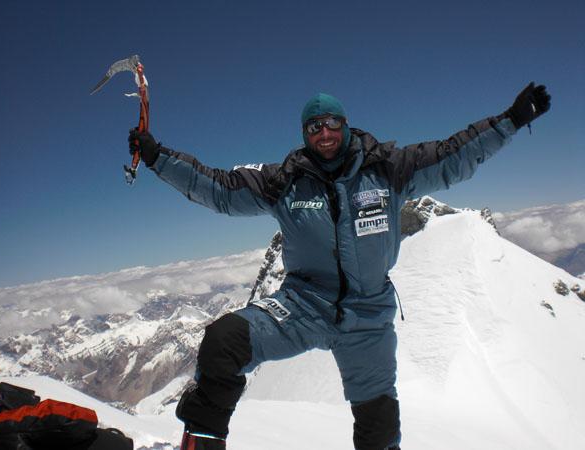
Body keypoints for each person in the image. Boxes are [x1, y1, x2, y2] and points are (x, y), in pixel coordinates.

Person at [128, 83, 551, 450]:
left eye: (331, 123)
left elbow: (454, 154)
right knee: (224, 343)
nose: (325, 133)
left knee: (378, 425)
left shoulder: (389, 169)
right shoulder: (284, 181)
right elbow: (219, 189)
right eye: (315, 127)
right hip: (303, 306)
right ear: (304, 134)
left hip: (368, 315)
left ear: (345, 124)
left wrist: (510, 120)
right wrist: (157, 157)